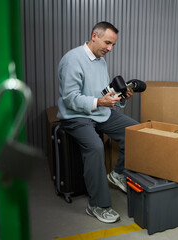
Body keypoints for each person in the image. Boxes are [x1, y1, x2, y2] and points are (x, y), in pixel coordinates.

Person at [57, 21, 139, 223]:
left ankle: (118, 174)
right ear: (94, 36)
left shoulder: (100, 59)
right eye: (108, 43)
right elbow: (70, 98)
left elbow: (104, 93)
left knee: (135, 131)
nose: (110, 49)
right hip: (76, 116)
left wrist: (118, 98)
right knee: (95, 146)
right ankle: (97, 205)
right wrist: (99, 102)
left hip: (100, 111)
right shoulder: (72, 60)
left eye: (113, 45)